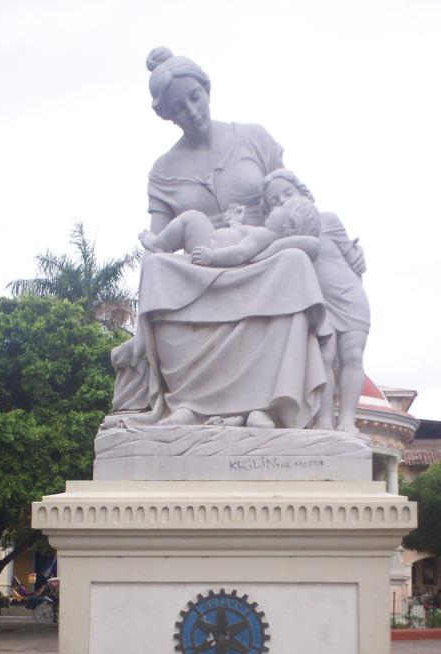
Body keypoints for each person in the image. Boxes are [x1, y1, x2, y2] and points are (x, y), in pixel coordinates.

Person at [110, 47, 333, 430]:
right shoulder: (162, 171)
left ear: (207, 89)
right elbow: (160, 241)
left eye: (194, 97)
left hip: (261, 256)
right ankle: (187, 403)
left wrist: (336, 242)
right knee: (157, 269)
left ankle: (268, 406)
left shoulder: (253, 138)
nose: (192, 111)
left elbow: (296, 199)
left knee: (294, 263)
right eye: (179, 107)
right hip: (203, 264)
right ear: (166, 115)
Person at [262, 169, 371, 432]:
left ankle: (346, 419)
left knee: (352, 355)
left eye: (288, 193)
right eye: (274, 200)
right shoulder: (280, 235)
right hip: (318, 302)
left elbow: (353, 259)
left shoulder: (328, 220)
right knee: (324, 357)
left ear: (302, 191)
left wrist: (360, 257)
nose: (283, 201)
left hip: (349, 297)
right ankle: (323, 419)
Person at [139, 199, 321, 266]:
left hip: (208, 247)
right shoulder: (262, 234)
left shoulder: (264, 236)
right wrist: (236, 222)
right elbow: (240, 235)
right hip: (209, 243)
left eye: (281, 207)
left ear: (290, 225)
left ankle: (160, 245)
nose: (274, 207)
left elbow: (241, 253)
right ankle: (162, 246)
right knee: (194, 219)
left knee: (192, 218)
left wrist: (212, 257)